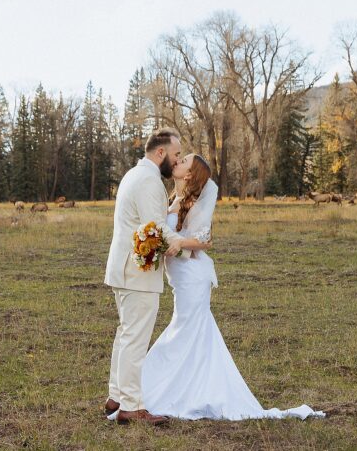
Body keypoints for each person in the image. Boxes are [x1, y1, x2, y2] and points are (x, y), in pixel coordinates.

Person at [140, 154, 325, 421]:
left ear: (190, 175)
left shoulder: (196, 201)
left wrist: (179, 244)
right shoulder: (175, 198)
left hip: (193, 275)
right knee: (192, 331)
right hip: (179, 277)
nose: (177, 162)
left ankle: (167, 388)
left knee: (186, 329)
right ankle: (189, 386)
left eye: (184, 162)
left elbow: (205, 239)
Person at [102, 127, 189, 425]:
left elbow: (148, 220)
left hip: (123, 268)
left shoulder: (134, 175)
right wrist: (187, 251)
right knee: (135, 339)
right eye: (176, 155)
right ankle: (131, 406)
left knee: (126, 333)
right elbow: (156, 229)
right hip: (136, 271)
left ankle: (117, 395)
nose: (177, 161)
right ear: (161, 152)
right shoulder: (150, 181)